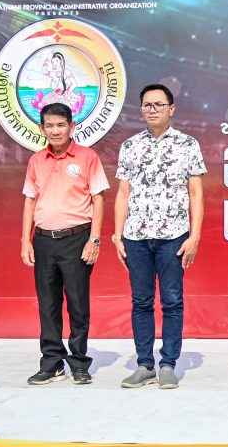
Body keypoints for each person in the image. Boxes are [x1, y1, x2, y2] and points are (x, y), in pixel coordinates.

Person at [114, 84, 206, 390]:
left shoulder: (187, 144)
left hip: (173, 236)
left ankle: (168, 364)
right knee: (140, 301)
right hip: (136, 236)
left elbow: (196, 193)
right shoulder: (130, 146)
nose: (152, 109)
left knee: (172, 301)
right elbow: (123, 193)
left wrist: (194, 236)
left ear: (171, 109)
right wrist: (117, 235)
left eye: (158, 104)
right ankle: (144, 365)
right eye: (147, 105)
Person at [21, 102, 108, 386]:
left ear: (72, 127)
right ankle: (51, 363)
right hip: (44, 240)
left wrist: (94, 239)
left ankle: (79, 362)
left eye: (61, 125)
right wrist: (25, 240)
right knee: (48, 304)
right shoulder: (36, 161)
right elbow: (29, 200)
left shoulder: (87, 157)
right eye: (50, 125)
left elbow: (98, 199)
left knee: (78, 304)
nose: (55, 130)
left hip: (77, 239)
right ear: (41, 128)